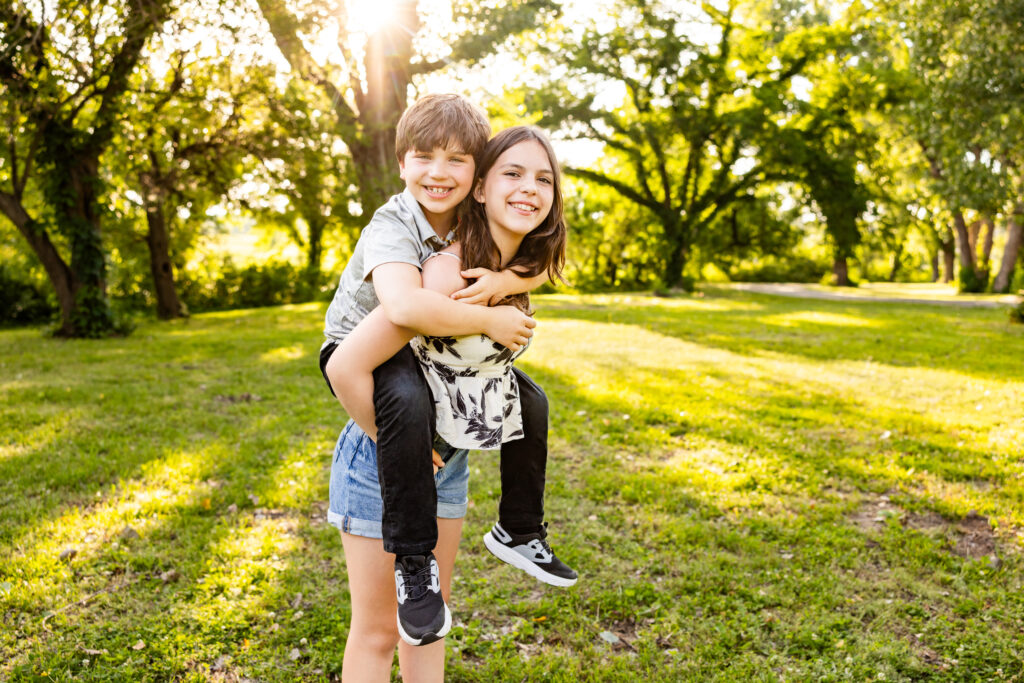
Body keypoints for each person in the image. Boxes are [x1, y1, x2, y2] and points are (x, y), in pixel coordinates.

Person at [322, 124, 574, 681]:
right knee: (380, 630)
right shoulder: (436, 271)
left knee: (427, 627)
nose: (528, 188)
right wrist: (395, 445)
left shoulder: (505, 255)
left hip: (447, 460)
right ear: (482, 188)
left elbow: (540, 259)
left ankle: (521, 530)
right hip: (384, 452)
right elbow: (343, 365)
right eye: (512, 173)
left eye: (543, 179)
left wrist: (504, 283)